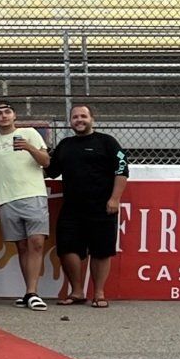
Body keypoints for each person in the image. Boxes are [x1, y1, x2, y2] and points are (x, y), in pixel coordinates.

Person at [48, 102, 130, 308]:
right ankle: (77, 291)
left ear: (92, 119)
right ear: (70, 122)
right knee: (66, 248)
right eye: (75, 117)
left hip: (102, 207)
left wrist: (115, 199)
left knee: (101, 250)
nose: (79, 120)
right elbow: (51, 170)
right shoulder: (65, 145)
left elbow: (122, 169)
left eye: (83, 116)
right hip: (71, 208)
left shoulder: (107, 142)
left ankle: (99, 293)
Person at [0, 100, 53, 311]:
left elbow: (46, 161)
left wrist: (29, 147)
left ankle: (33, 292)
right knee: (21, 246)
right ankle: (28, 292)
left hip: (33, 195)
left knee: (37, 242)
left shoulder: (30, 133)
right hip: (7, 199)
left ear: (14, 115)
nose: (3, 116)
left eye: (7, 112)